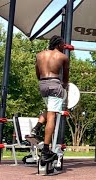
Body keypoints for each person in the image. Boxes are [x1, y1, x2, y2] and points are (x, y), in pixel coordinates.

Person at [30, 35, 69, 165]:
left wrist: (43, 82)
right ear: (58, 45)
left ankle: (36, 128)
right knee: (52, 115)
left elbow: (37, 72)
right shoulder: (63, 57)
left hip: (42, 84)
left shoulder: (39, 55)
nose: (64, 47)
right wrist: (64, 88)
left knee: (49, 110)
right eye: (63, 45)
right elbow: (66, 77)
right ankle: (46, 150)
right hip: (55, 84)